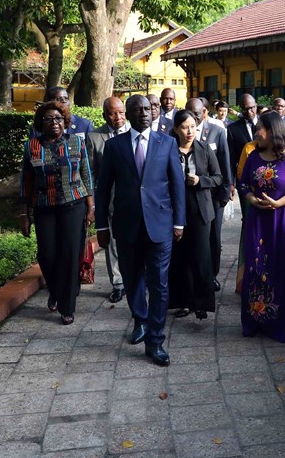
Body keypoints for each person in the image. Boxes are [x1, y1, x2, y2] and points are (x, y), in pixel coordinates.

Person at [95, 95, 185, 367]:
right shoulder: (114, 146)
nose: (144, 113)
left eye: (147, 108)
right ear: (129, 114)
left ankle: (155, 341)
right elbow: (103, 189)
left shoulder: (167, 143)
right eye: (137, 110)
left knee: (159, 284)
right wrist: (101, 224)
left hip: (160, 225)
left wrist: (179, 222)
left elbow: (176, 184)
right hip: (126, 226)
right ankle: (140, 320)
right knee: (133, 281)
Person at [19, 101, 94, 325]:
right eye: (49, 119)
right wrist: (24, 215)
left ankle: (67, 306)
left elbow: (86, 175)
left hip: (73, 205)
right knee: (47, 254)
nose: (55, 123)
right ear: (41, 122)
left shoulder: (76, 142)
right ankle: (55, 289)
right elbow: (26, 182)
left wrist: (91, 207)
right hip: (44, 206)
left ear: (65, 122)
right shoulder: (31, 146)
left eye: (59, 119)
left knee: (71, 255)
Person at [238, 111, 285, 342]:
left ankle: (279, 324)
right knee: (256, 269)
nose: (257, 132)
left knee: (281, 269)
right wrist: (251, 199)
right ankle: (255, 320)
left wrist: (279, 202)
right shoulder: (254, 157)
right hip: (258, 221)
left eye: (261, 128)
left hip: (283, 222)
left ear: (272, 131)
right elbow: (244, 183)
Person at [169, 110, 222, 320]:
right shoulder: (168, 149)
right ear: (176, 129)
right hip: (176, 209)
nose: (189, 131)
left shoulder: (204, 149)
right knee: (180, 257)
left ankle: (202, 304)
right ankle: (184, 302)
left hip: (200, 209)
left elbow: (218, 177)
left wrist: (202, 181)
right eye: (184, 127)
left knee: (201, 257)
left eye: (192, 127)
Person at [86, 97, 130, 303]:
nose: (118, 117)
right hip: (110, 199)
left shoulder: (135, 132)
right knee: (112, 243)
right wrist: (93, 204)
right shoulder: (95, 137)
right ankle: (118, 284)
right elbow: (90, 174)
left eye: (121, 112)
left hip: (134, 199)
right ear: (105, 115)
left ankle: (137, 278)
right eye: (113, 113)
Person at [186, 97, 233, 292]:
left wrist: (225, 193)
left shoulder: (217, 132)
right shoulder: (179, 132)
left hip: (213, 195)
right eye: (190, 113)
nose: (194, 118)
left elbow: (225, 163)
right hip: (189, 197)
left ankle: (212, 275)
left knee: (214, 237)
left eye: (197, 114)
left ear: (204, 113)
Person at [228, 94, 258, 215]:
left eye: (252, 108)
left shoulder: (266, 123)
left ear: (256, 106)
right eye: (246, 109)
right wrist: (231, 182)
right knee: (247, 216)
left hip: (266, 176)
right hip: (244, 178)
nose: (250, 111)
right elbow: (231, 158)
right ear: (240, 109)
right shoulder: (232, 129)